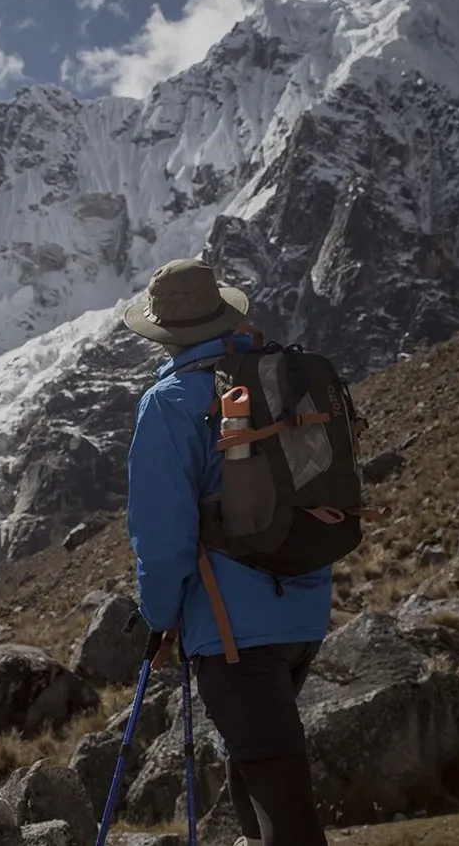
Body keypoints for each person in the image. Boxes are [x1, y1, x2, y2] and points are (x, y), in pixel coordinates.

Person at [122, 257, 333, 846]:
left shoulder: (170, 402)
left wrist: (159, 618)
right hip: (305, 607)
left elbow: (162, 540)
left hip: (234, 632)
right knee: (257, 779)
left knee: (286, 815)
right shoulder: (279, 376)